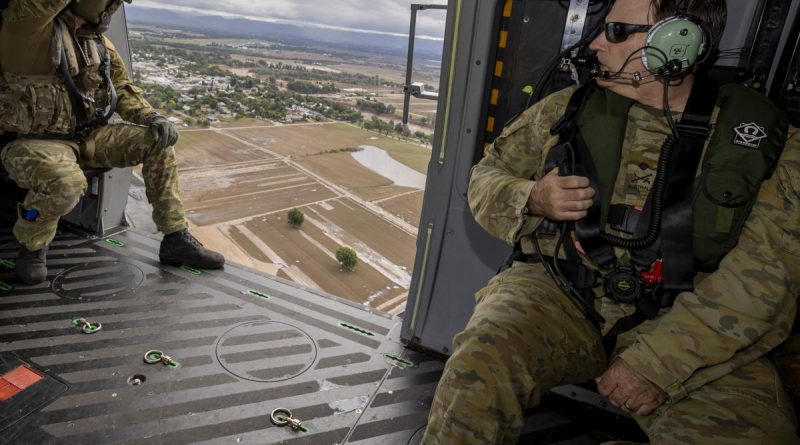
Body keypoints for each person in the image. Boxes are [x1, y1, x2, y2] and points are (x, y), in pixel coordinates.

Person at [423, 0, 800, 443]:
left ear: (680, 40)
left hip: (691, 321)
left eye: (617, 32)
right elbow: (485, 178)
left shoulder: (768, 147)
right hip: (560, 290)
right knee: (481, 358)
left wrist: (659, 362)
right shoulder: (566, 108)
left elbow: (766, 281)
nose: (597, 43)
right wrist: (532, 198)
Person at [0, 0, 225, 285]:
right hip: (34, 143)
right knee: (67, 182)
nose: (110, 8)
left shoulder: (99, 45)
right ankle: (33, 245)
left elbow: (122, 88)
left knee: (157, 142)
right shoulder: (26, 28)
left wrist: (151, 117)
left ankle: (175, 237)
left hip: (89, 138)